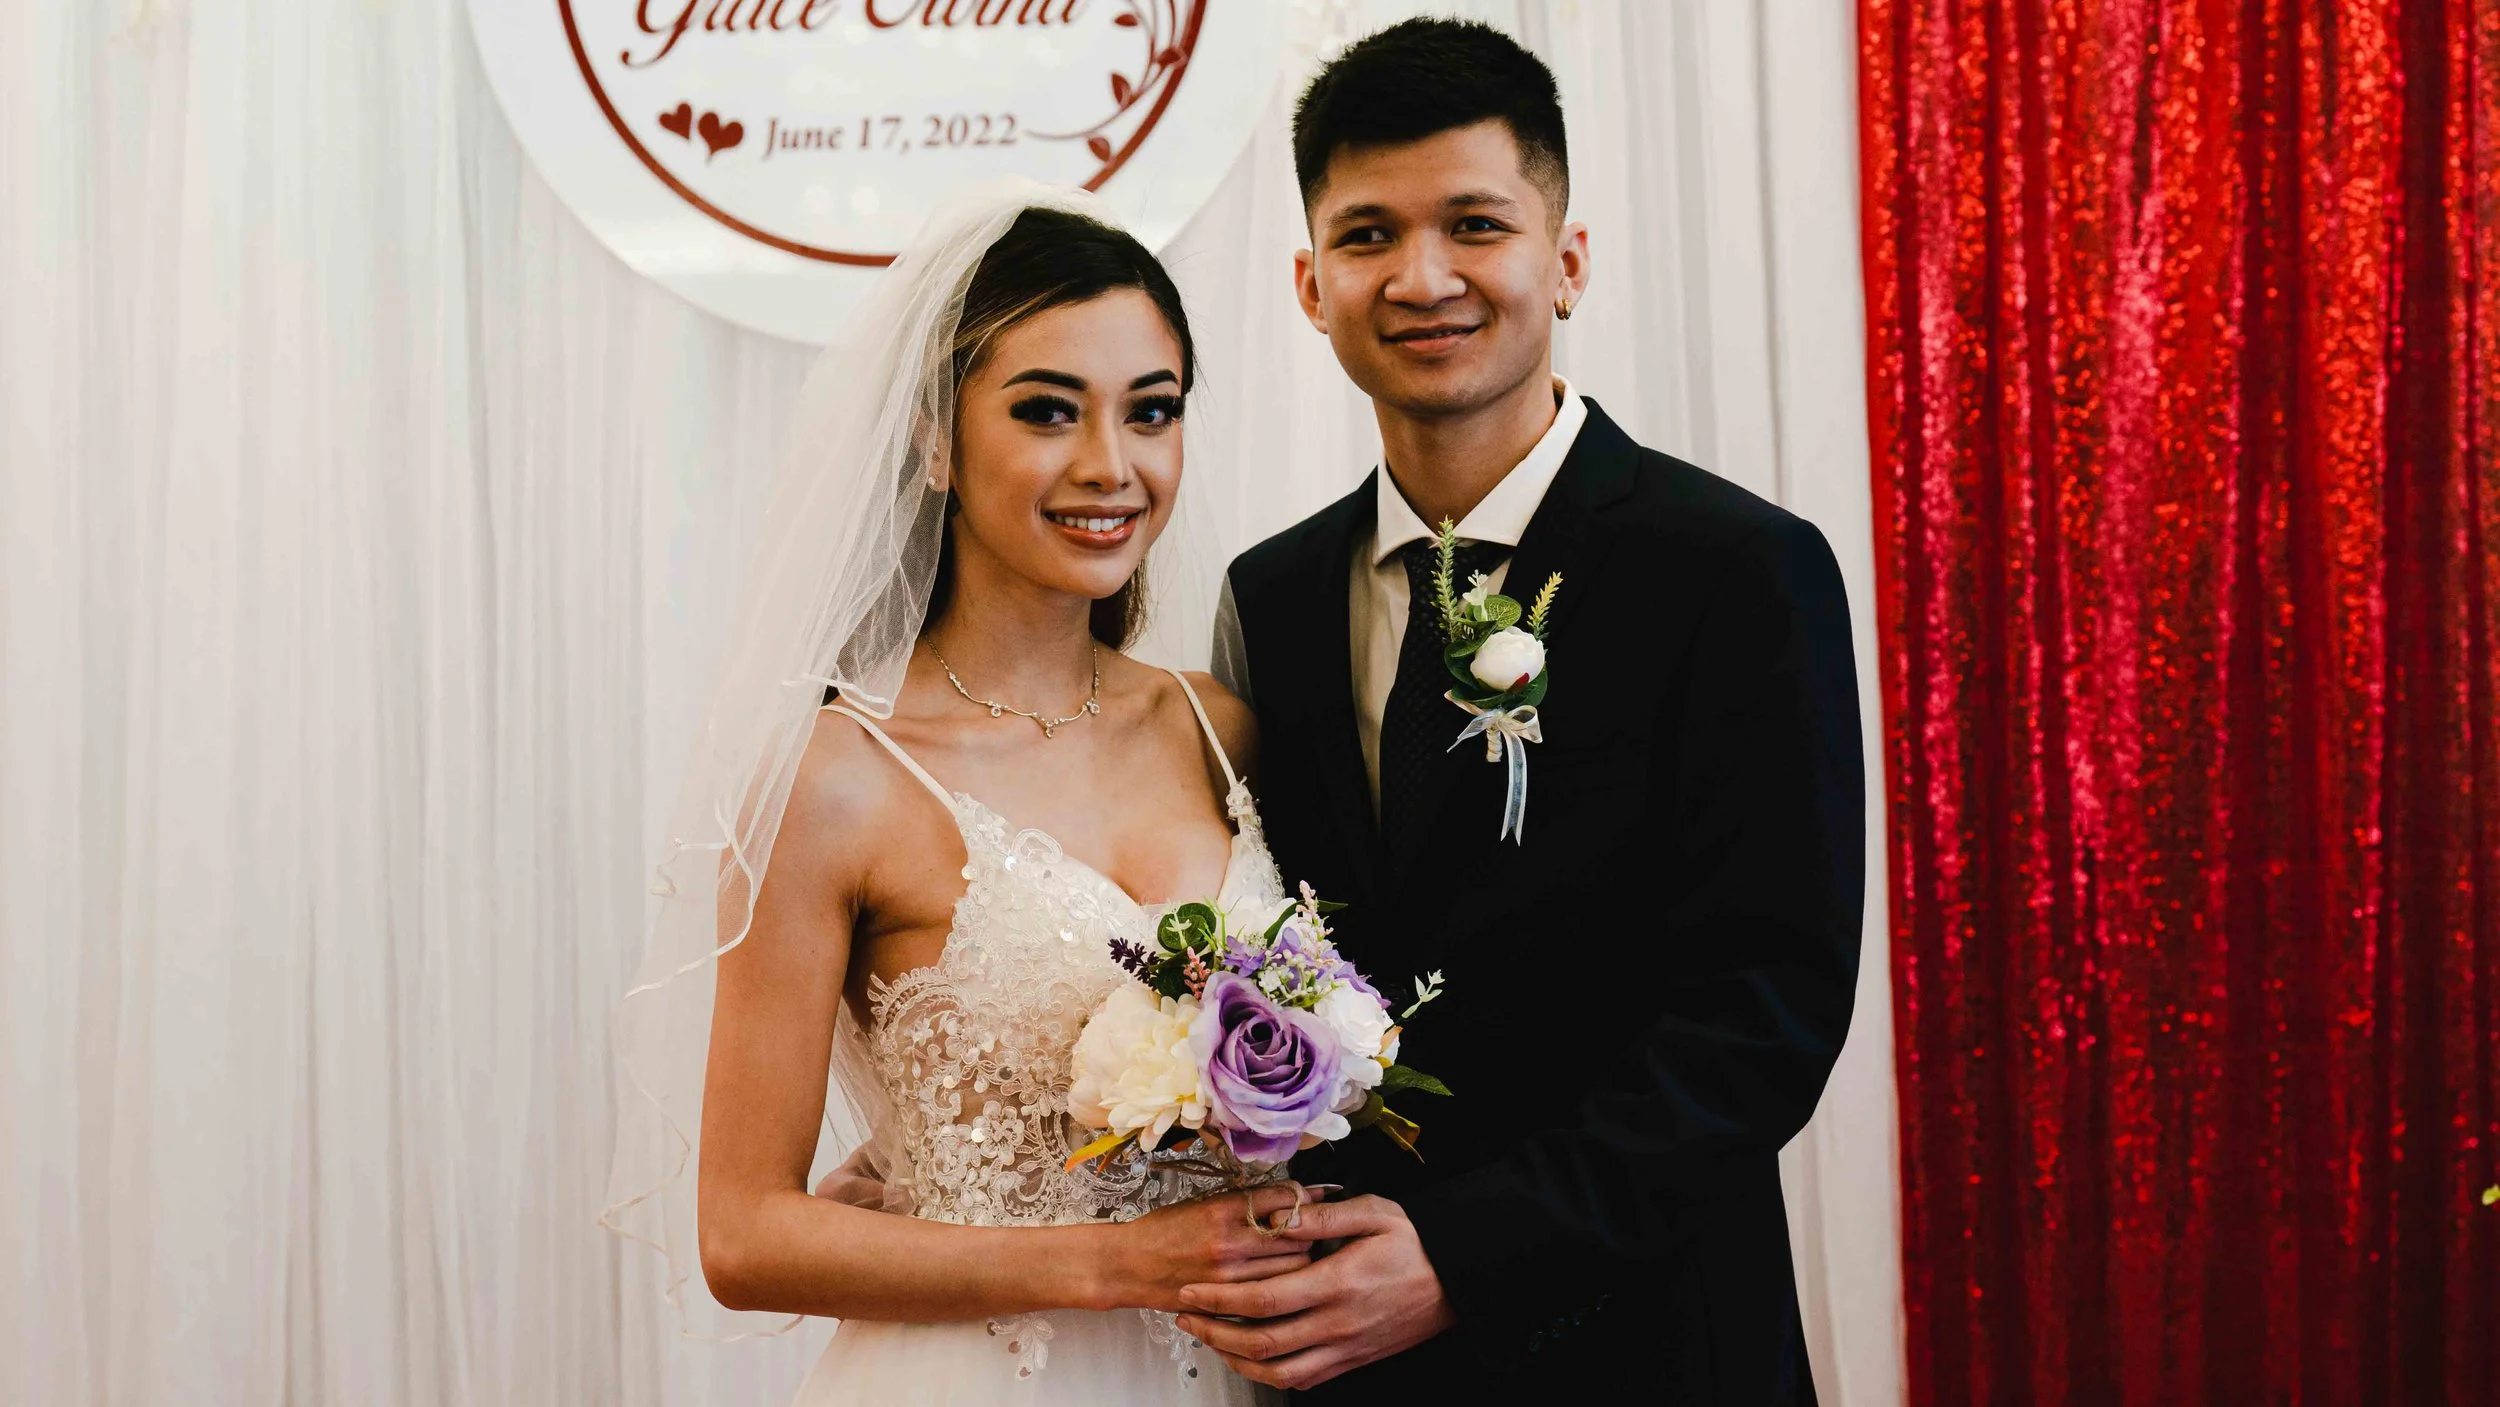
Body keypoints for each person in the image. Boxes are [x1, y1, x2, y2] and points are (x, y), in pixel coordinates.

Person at [1199, 20, 1864, 1401]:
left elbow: (1764, 1014)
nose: (1424, 276)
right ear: (1310, 283)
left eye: (1475, 224)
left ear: (1565, 259)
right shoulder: (1270, 593)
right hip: (1342, 1360)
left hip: (1648, 1337)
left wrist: (1462, 1253)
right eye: (1369, 234)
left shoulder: (1738, 568)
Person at [604, 186, 1308, 1403]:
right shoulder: (833, 781)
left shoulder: (1219, 728)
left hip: (1243, 1374)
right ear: (936, 438)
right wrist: (1111, 1261)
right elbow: (745, 1235)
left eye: (1152, 412)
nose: (1111, 466)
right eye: (1046, 411)